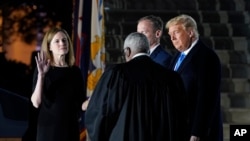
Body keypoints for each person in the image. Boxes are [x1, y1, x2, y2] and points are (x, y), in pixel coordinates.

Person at [84, 32, 188, 141]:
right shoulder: (171, 78)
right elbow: (182, 118)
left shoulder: (117, 74)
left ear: (127, 51)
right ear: (148, 51)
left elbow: (100, 113)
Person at [166, 14, 223, 141]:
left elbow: (206, 98)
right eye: (170, 34)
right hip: (178, 128)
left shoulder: (207, 57)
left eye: (176, 32)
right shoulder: (176, 57)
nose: (172, 38)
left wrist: (197, 132)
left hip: (196, 132)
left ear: (190, 32)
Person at [31, 27, 86, 141]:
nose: (62, 43)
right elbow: (36, 103)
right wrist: (41, 75)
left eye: (65, 40)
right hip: (48, 131)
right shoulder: (43, 69)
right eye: (57, 41)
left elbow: (81, 104)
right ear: (49, 46)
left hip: (70, 130)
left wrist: (95, 98)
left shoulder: (75, 71)